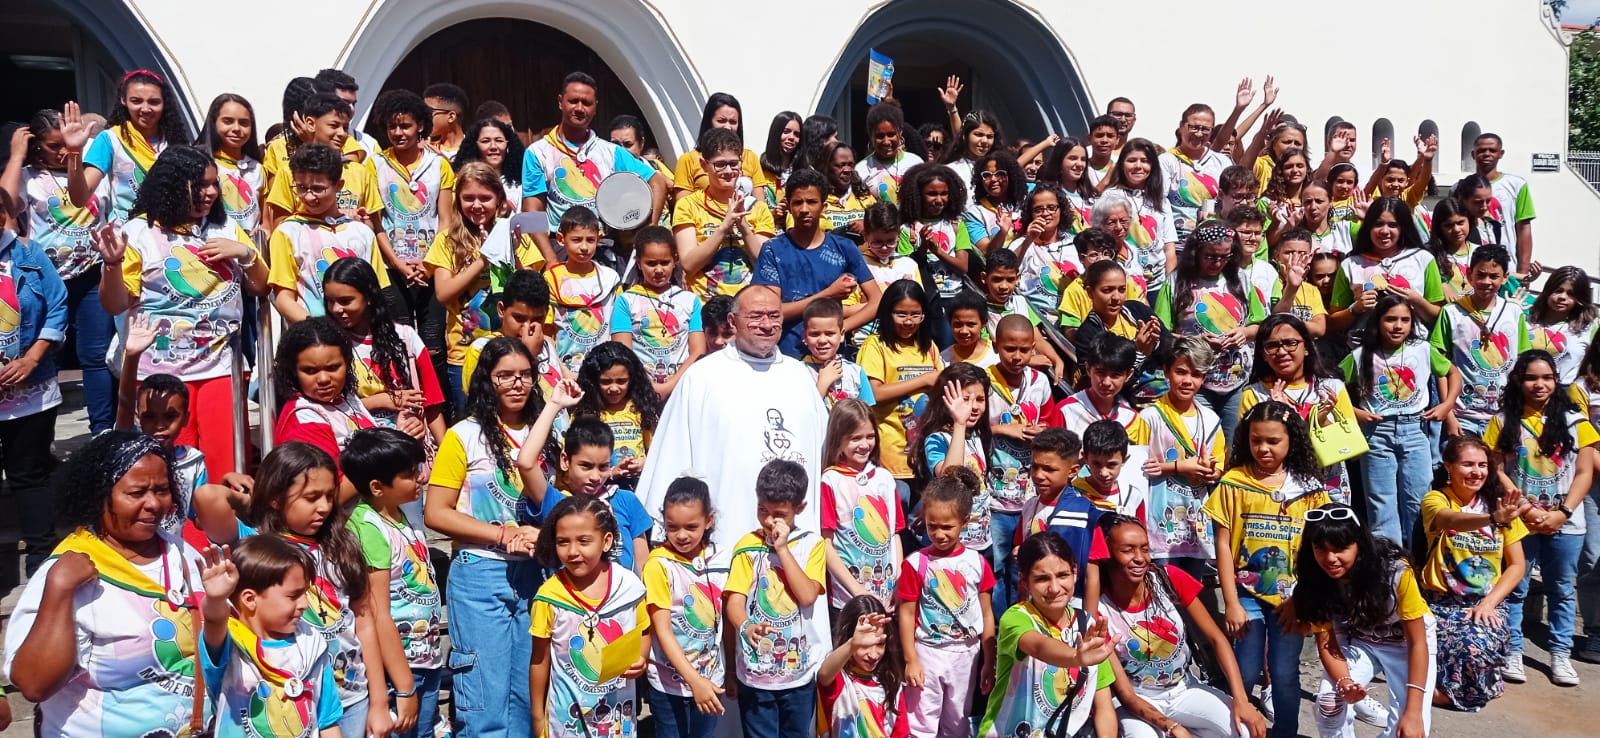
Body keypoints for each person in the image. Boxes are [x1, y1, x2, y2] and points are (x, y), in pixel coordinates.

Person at [2, 432, 208, 735]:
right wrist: (59, 592)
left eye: (162, 490)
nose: (153, 503)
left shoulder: (181, 554)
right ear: (99, 497)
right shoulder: (65, 572)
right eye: (136, 493)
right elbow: (33, 684)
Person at [97, 146, 268, 481]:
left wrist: (245, 253)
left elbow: (261, 287)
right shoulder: (139, 233)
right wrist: (112, 265)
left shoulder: (225, 227)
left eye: (214, 184)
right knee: (170, 468)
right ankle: (180, 533)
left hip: (221, 366)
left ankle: (227, 531)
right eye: (201, 185)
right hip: (160, 372)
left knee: (226, 465)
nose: (211, 192)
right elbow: (115, 304)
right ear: (173, 185)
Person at [639, 285, 829, 558]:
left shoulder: (800, 376)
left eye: (774, 316)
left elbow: (826, 454)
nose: (767, 325)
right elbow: (673, 456)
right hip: (728, 540)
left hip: (798, 542)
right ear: (732, 321)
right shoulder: (702, 377)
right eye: (756, 316)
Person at [424, 337, 550, 735]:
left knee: (527, 700)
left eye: (525, 375)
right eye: (505, 376)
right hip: (480, 573)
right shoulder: (463, 435)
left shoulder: (547, 428)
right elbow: (436, 513)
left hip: (536, 575)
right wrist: (501, 534)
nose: (517, 384)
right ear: (486, 380)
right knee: (483, 703)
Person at [1204, 401, 1333, 738]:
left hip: (1293, 599)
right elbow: (1222, 543)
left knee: (1284, 672)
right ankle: (1239, 731)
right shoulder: (1234, 482)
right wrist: (1230, 602)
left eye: (1273, 441)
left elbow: (1318, 549)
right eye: (1255, 440)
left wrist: (1302, 600)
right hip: (1245, 595)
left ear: (1292, 440)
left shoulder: (1310, 489)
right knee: (1244, 671)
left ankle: (1285, 732)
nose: (1263, 448)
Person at [1484, 350, 1597, 686]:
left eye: (1547, 377)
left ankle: (1560, 655)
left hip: (1567, 523)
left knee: (1561, 589)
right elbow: (1496, 468)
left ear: (1556, 380)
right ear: (1518, 380)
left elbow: (1584, 472)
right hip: (1521, 521)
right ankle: (1512, 651)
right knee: (1516, 588)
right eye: (1531, 377)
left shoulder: (1577, 422)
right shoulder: (1503, 420)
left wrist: (1562, 512)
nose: (1540, 384)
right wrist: (1527, 509)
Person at [1098, 515, 1268, 738]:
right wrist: (1171, 726)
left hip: (1183, 689)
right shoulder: (1100, 608)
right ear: (1107, 554)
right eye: (1127, 550)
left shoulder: (1168, 579)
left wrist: (1242, 700)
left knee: (1245, 728)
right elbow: (1126, 694)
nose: (1139, 558)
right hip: (1136, 699)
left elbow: (1217, 639)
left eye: (1145, 548)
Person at [1, 110, 114, 433]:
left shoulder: (93, 172)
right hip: (44, 281)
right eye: (53, 146)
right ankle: (39, 441)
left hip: (91, 274)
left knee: (94, 355)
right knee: (42, 356)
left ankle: (101, 430)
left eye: (66, 144)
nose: (62, 152)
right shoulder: (29, 177)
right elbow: (6, 204)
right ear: (38, 147)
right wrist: (17, 155)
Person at [1296, 505, 1437, 738]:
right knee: (1329, 703)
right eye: (1320, 548)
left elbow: (1418, 643)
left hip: (1407, 645)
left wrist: (1413, 712)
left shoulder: (1396, 571)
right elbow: (1326, 642)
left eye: (1340, 548)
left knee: (1409, 729)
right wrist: (1344, 682)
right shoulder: (1314, 578)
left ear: (1359, 544)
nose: (1330, 558)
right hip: (1360, 641)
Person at [342, 427, 440, 738]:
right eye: (410, 474)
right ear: (377, 486)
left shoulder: (399, 516)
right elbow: (377, 612)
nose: (420, 478)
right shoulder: (368, 527)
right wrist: (405, 688)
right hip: (398, 671)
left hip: (424, 660)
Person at [1420, 435, 1530, 711]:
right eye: (1468, 464)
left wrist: (1490, 603)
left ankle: (1476, 684)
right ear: (1448, 466)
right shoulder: (1437, 499)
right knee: (1435, 649)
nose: (1477, 472)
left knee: (1476, 646)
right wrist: (1491, 520)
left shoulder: (1500, 505)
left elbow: (1517, 565)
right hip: (1439, 600)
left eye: (1482, 465)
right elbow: (1450, 520)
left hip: (1484, 601)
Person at [198, 535, 345, 738]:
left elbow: (327, 722)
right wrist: (216, 599)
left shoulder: (312, 643)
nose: (304, 604)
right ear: (250, 599)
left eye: (305, 594)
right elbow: (214, 621)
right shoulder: (229, 644)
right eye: (294, 596)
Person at [1344, 292, 1460, 546]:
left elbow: (1453, 373)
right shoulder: (1361, 355)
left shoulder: (1423, 349)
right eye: (1390, 319)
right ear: (1378, 322)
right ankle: (1390, 567)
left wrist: (1447, 404)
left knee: (1418, 500)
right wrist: (1355, 411)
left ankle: (1419, 562)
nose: (1398, 326)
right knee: (1381, 502)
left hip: (1415, 430)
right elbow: (1330, 387)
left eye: (1405, 320)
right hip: (1377, 433)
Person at [530, 495, 651, 738]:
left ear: (606, 541)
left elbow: (644, 630)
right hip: (565, 722)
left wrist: (642, 658)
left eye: (584, 541)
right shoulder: (549, 597)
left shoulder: (630, 588)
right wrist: (537, 716)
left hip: (617, 719)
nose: (573, 551)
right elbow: (540, 660)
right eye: (563, 542)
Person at [725, 459, 829, 738]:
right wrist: (746, 626)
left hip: (798, 675)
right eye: (762, 510)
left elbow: (807, 596)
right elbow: (734, 601)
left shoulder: (811, 544)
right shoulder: (747, 547)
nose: (770, 520)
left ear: (800, 508)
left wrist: (782, 549)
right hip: (756, 675)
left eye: (779, 513)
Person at [979, 530, 1117, 738]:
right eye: (1042, 579)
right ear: (1025, 582)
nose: (1054, 588)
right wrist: (1075, 657)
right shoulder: (1016, 618)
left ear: (1075, 573)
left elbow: (1103, 707)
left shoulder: (1087, 625)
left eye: (1063, 575)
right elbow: (1039, 645)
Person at [522, 72, 667, 266]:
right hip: (559, 248)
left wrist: (649, 229)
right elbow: (532, 211)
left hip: (604, 248)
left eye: (587, 103)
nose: (579, 108)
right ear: (560, 102)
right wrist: (551, 260)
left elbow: (656, 181)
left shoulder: (611, 152)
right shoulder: (537, 152)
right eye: (573, 101)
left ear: (596, 107)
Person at [897, 475, 996, 738]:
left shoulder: (976, 562)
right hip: (927, 652)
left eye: (947, 527)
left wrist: (989, 660)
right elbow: (906, 613)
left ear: (965, 522)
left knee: (958, 720)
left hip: (967, 654)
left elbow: (987, 613)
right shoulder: (915, 563)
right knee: (920, 722)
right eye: (932, 526)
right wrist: (911, 659)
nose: (939, 534)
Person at [0, 197, 66, 573]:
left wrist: (32, 357)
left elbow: (57, 305)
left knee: (29, 473)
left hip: (30, 389)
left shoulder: (28, 253)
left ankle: (42, 558)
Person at [753, 169, 881, 358]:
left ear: (823, 205)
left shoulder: (844, 248)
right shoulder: (773, 249)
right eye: (797, 202)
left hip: (832, 358)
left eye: (811, 202)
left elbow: (877, 301)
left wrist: (842, 329)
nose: (804, 209)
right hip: (785, 357)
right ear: (788, 205)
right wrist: (828, 294)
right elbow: (771, 312)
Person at [1155, 222, 1265, 440]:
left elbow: (1260, 324)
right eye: (1210, 256)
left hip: (1236, 378)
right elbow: (1161, 333)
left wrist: (1244, 333)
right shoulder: (1175, 283)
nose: (1217, 263)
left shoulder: (1241, 280)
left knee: (1234, 441)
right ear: (1197, 253)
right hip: (1196, 380)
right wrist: (1196, 342)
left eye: (1224, 257)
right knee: (1201, 440)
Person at [323, 257, 447, 450]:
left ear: (369, 297)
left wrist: (446, 459)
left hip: (406, 454)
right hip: (353, 455)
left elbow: (431, 405)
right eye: (330, 301)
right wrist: (383, 400)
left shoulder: (406, 338)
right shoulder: (326, 344)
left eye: (346, 301)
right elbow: (324, 406)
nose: (337, 309)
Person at [429, 161, 525, 406]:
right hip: (463, 354)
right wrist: (483, 259)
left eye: (485, 198)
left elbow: (529, 289)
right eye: (468, 198)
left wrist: (511, 254)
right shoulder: (446, 241)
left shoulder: (514, 235)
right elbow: (443, 293)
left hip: (511, 351)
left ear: (500, 200)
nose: (477, 205)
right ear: (457, 200)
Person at [643, 476, 730, 738]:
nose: (681, 535)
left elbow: (723, 619)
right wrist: (695, 682)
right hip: (668, 685)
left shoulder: (722, 557)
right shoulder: (658, 564)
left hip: (712, 679)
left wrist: (732, 672)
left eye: (691, 526)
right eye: (672, 527)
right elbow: (663, 631)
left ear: (709, 520)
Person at [268, 142, 388, 322]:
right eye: (301, 187)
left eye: (318, 189)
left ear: (339, 185)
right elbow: (284, 298)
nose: (308, 196)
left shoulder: (362, 232)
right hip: (315, 340)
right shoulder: (287, 232)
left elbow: (377, 292)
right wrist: (320, 332)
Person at [1139, 337, 1226, 566]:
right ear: (1166, 371)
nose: (1188, 381)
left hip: (1196, 522)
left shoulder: (1211, 419)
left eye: (1196, 374)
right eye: (1181, 372)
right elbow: (1138, 467)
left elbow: (1220, 466)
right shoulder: (1150, 417)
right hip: (1158, 521)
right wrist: (1178, 467)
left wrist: (1210, 472)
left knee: (1193, 589)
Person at [64, 70, 191, 223]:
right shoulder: (110, 139)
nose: (145, 109)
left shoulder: (176, 141)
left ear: (165, 102)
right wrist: (74, 151)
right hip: (127, 238)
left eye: (154, 102)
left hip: (172, 233)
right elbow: (79, 198)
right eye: (136, 101)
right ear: (123, 100)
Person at [855, 280, 941, 501]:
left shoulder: (930, 348)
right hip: (889, 458)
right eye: (901, 314)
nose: (909, 321)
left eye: (916, 315)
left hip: (926, 459)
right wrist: (924, 379)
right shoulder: (875, 345)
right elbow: (872, 394)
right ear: (887, 313)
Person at [1431, 246, 1526, 437]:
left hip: (1503, 416)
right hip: (1463, 415)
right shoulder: (1451, 312)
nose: (1486, 282)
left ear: (1505, 277)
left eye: (1494, 276)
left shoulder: (1514, 313)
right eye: (1480, 275)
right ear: (1469, 274)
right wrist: (1448, 413)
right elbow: (1440, 367)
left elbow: (1523, 363)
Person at [271, 317, 381, 481]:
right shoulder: (304, 418)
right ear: (293, 371)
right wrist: (387, 459)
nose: (323, 379)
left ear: (347, 363)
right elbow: (327, 493)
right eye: (310, 371)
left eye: (333, 368)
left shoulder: (347, 398)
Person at [821, 398, 903, 610]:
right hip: (846, 598)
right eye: (855, 438)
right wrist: (856, 589)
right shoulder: (830, 481)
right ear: (838, 439)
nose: (865, 444)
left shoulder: (884, 478)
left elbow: (895, 533)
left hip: (886, 592)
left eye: (870, 436)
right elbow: (825, 543)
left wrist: (898, 579)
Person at [677, 127, 776, 298]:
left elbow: (764, 264)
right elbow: (688, 263)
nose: (728, 171)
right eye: (720, 164)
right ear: (703, 164)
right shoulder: (687, 205)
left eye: (733, 163)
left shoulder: (758, 208)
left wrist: (743, 226)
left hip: (747, 307)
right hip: (705, 306)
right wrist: (724, 227)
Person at [372, 89, 457, 282]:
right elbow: (376, 222)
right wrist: (396, 263)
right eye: (391, 127)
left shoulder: (438, 164)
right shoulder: (375, 164)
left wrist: (429, 264)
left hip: (432, 266)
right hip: (391, 267)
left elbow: (446, 221)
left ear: (420, 126)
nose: (397, 133)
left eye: (405, 126)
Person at [609, 225, 703, 396]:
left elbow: (698, 351)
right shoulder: (626, 300)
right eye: (651, 263)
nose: (659, 270)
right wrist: (648, 385)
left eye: (665, 263)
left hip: (682, 387)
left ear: (675, 260)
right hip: (641, 389)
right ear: (638, 262)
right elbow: (623, 352)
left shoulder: (690, 300)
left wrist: (670, 386)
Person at [570, 346, 661, 495]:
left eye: (621, 381)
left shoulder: (641, 408)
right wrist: (611, 472)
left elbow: (654, 451)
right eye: (606, 382)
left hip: (638, 489)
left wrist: (644, 464)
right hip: (598, 491)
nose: (614, 388)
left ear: (631, 379)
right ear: (593, 381)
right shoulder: (584, 413)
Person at [546, 206, 622, 371]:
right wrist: (563, 371)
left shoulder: (610, 279)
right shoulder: (552, 279)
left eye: (590, 240)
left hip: (604, 368)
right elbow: (547, 331)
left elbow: (618, 327)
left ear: (598, 238)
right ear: (560, 239)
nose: (584, 247)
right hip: (565, 368)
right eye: (576, 240)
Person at [819, 596, 907, 738]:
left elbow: (900, 732)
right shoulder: (841, 678)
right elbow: (823, 675)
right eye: (864, 645)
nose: (873, 654)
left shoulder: (892, 682)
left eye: (879, 644)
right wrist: (853, 644)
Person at [1103, 139, 1178, 300]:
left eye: (1144, 161)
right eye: (1132, 161)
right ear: (1122, 164)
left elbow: (1169, 248)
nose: (1138, 166)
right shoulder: (1111, 197)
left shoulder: (1161, 200)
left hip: (1157, 285)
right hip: (1125, 284)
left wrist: (1170, 286)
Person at [672, 92, 770, 199]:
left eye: (733, 122)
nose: (727, 127)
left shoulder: (750, 157)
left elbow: (760, 204)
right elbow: (682, 206)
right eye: (721, 121)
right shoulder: (688, 160)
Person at [1160, 103, 1234, 241]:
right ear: (1182, 126)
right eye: (1194, 127)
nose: (1199, 134)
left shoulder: (1222, 161)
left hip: (1215, 241)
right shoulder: (1166, 161)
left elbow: (1231, 199)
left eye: (1205, 129)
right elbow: (1160, 203)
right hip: (1178, 242)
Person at [1010, 184, 1081, 322]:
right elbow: (1005, 270)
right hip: (1035, 319)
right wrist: (1029, 239)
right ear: (1030, 214)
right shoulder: (1021, 244)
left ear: (1061, 210)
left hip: (1073, 318)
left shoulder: (1076, 244)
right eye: (1038, 209)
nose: (1046, 213)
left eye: (1051, 208)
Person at [1470, 133, 1535, 271]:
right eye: (1481, 150)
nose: (1487, 154)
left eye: (1492, 150)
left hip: (1506, 267)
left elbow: (1523, 228)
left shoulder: (1517, 185)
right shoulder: (1460, 187)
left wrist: (1523, 270)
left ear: (1501, 153)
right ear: (1473, 154)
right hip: (1471, 266)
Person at [1526, 266, 1597, 384]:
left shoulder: (1589, 327)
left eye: (1571, 294)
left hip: (1565, 393)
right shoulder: (1526, 319)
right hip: (1526, 390)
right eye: (1558, 290)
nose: (1562, 297)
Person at [801, 299, 876, 406]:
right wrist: (822, 384)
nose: (822, 340)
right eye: (815, 334)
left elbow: (867, 415)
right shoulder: (798, 372)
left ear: (842, 335)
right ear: (805, 336)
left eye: (829, 334)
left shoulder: (856, 373)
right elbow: (801, 414)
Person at [857, 103, 924, 206]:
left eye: (891, 134)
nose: (886, 141)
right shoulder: (861, 170)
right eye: (880, 136)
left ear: (900, 132)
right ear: (871, 136)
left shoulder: (916, 163)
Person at [454, 118, 526, 203]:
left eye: (499, 140)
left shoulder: (522, 184)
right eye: (485, 141)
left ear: (508, 145)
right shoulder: (462, 182)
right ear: (475, 146)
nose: (493, 147)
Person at [759, 111, 802, 206]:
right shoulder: (759, 169)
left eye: (797, 134)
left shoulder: (803, 171)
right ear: (776, 133)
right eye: (786, 132)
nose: (792, 137)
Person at [421, 83, 469, 159]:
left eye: (429, 111)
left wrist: (445, 163)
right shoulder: (426, 149)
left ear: (451, 117)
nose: (425, 117)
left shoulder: (474, 150)